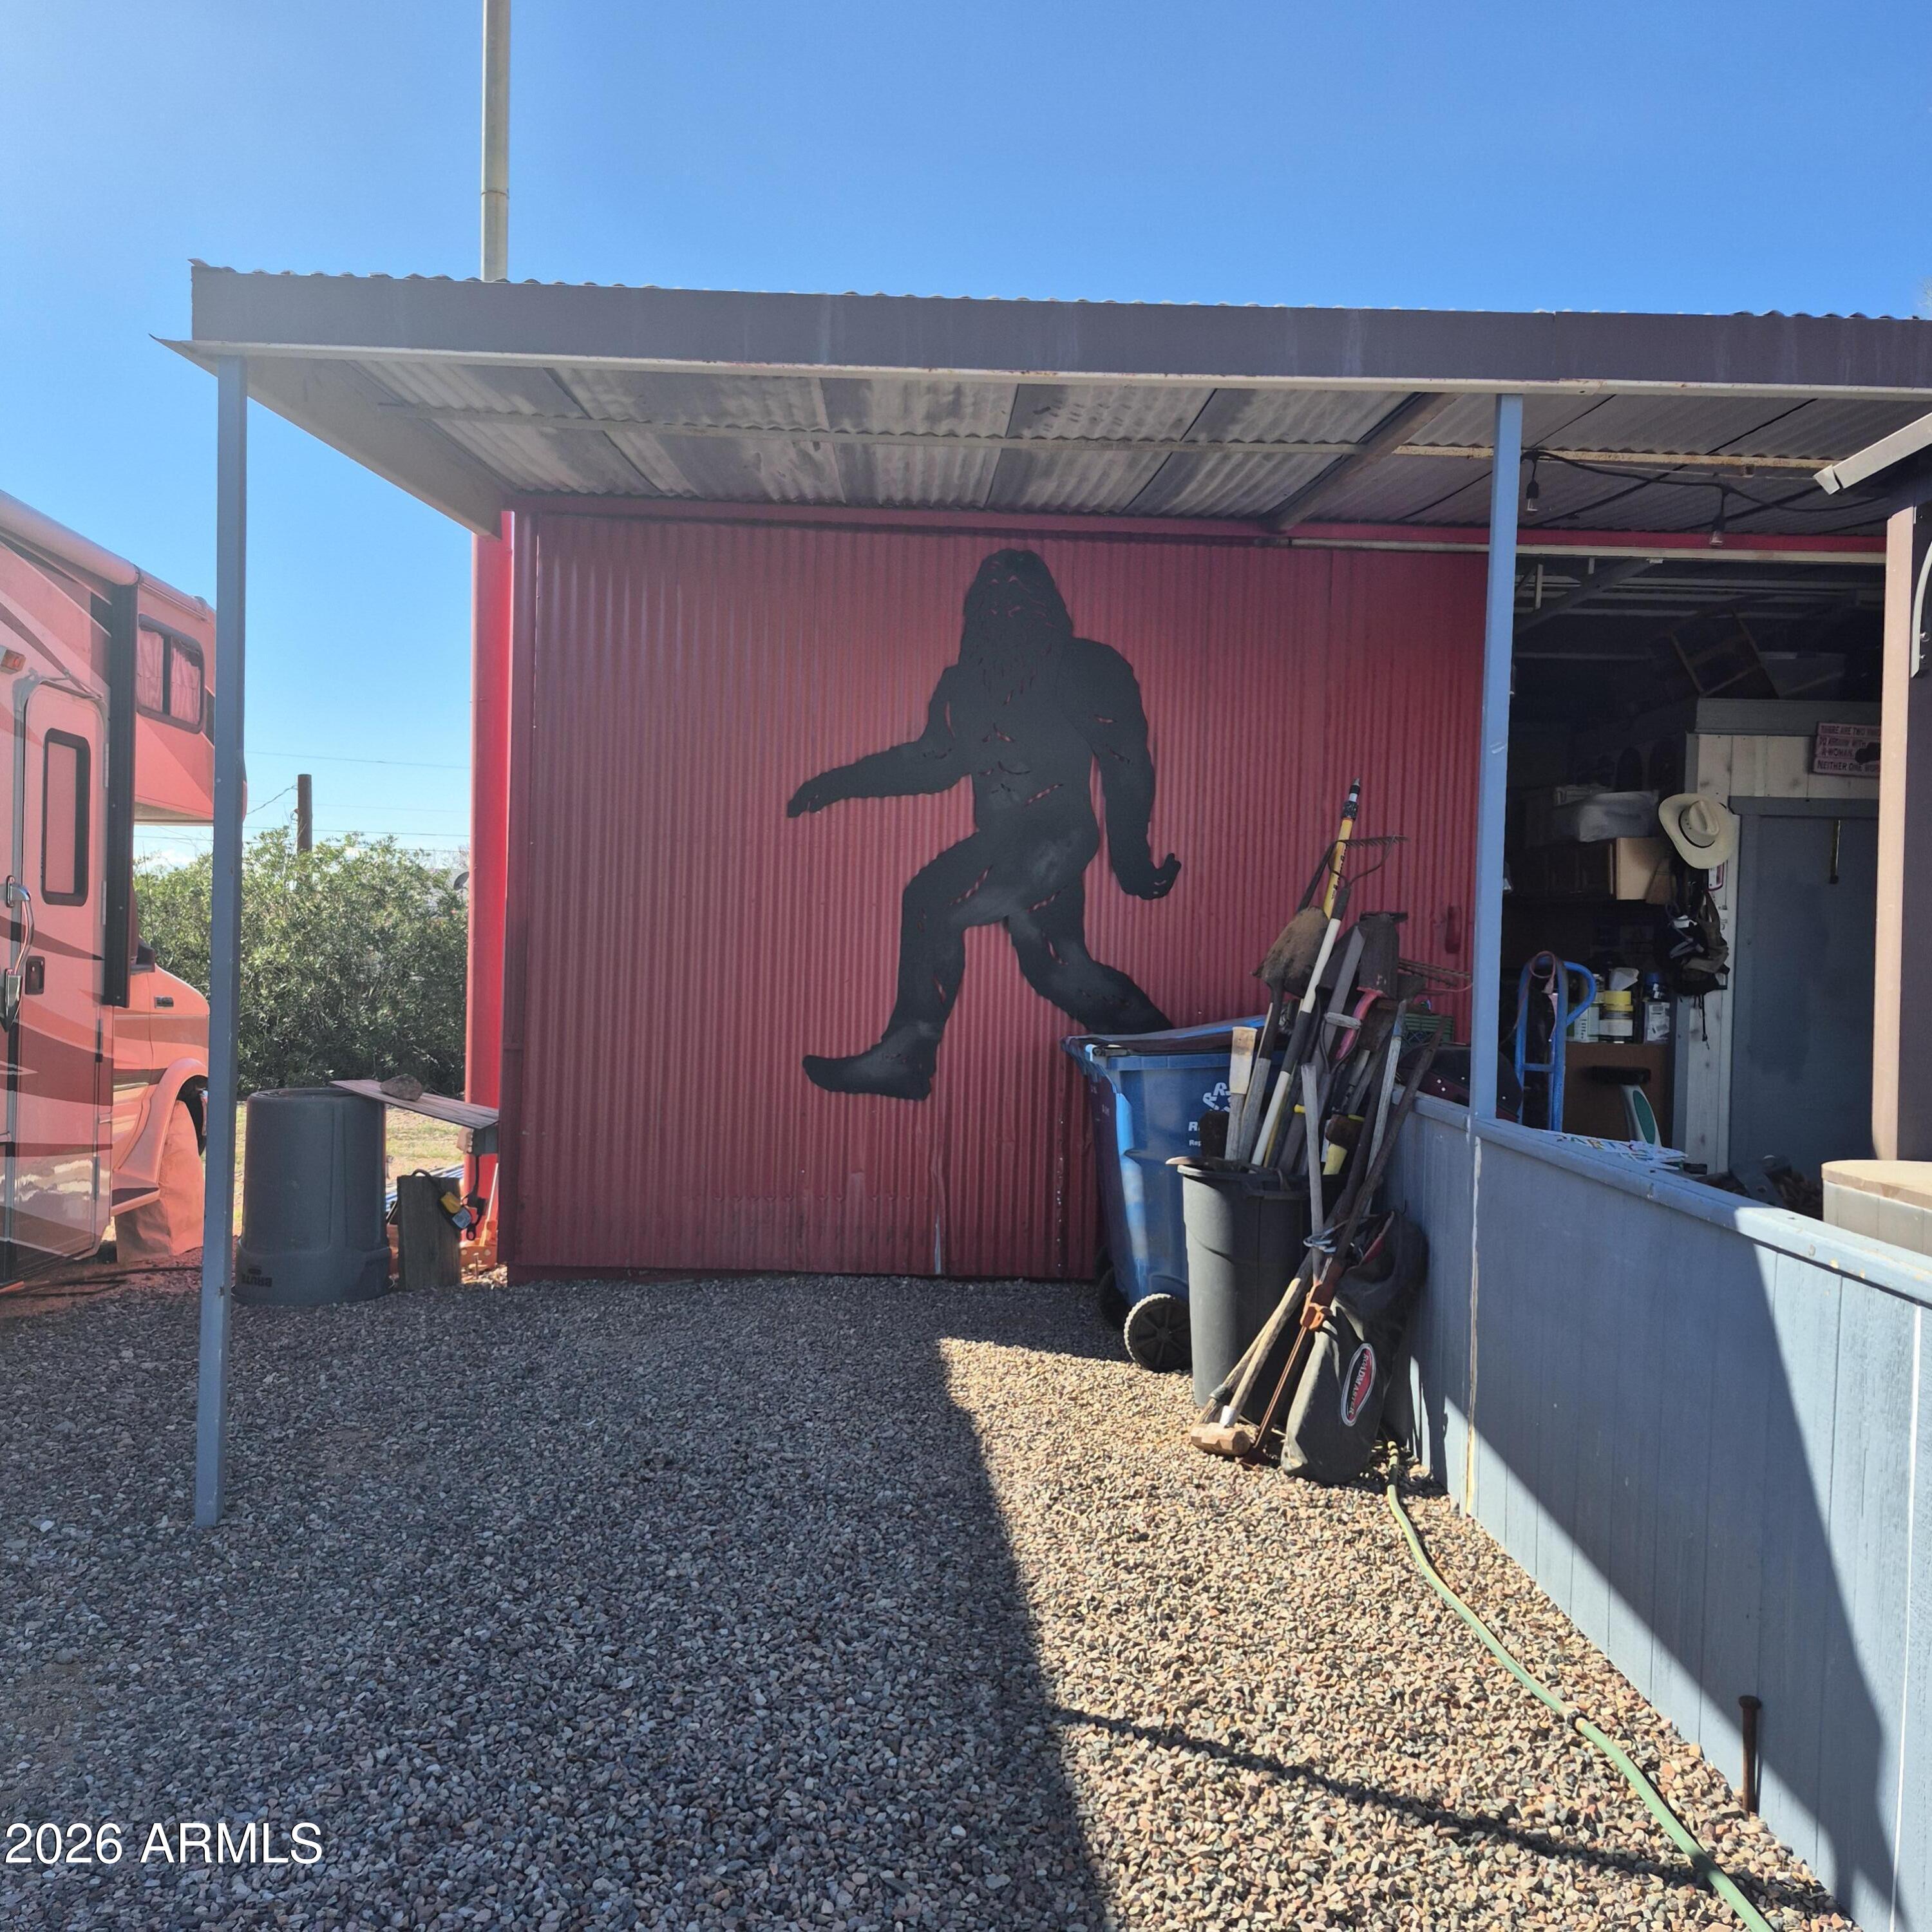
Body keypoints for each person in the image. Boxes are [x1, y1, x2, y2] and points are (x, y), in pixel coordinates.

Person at [788, 548, 1179, 1099]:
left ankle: (908, 1051)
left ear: (1047, 606)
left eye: (1022, 596)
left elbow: (1125, 760)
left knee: (936, 903)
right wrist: (836, 782)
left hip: (1057, 832)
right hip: (1003, 838)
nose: (1007, 608)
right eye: (994, 598)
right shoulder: (962, 684)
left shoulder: (1085, 665)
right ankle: (1171, 1055)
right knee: (1059, 969)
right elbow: (932, 763)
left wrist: (1132, 859)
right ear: (976, 609)